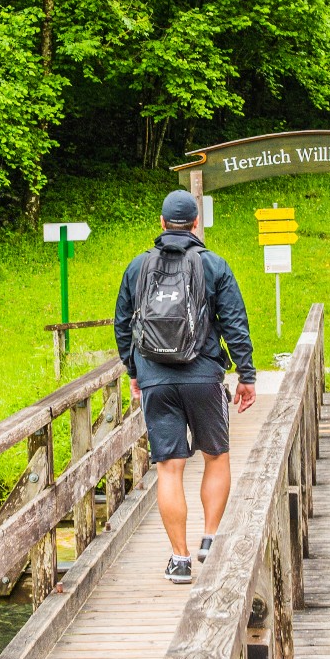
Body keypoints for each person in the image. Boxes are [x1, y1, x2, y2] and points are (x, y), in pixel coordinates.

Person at [113, 189, 259, 584]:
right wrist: (246, 374)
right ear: (197, 223)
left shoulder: (137, 267)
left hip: (156, 378)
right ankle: (210, 538)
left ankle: (179, 559)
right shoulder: (213, 265)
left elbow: (123, 325)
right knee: (216, 455)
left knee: (169, 468)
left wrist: (134, 371)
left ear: (161, 223)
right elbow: (234, 322)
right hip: (203, 376)